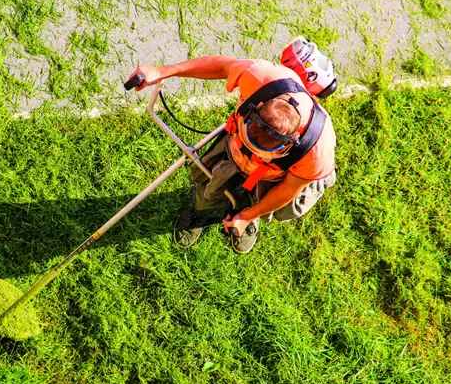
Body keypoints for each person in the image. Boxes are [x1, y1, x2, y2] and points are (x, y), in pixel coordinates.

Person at [127, 55, 336, 254]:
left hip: (274, 175)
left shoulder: (317, 149)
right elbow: (221, 66)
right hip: (232, 148)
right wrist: (162, 71)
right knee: (210, 187)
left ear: (292, 142)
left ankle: (247, 216)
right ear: (258, 106)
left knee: (263, 204)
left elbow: (288, 190)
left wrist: (248, 216)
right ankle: (201, 211)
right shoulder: (261, 77)